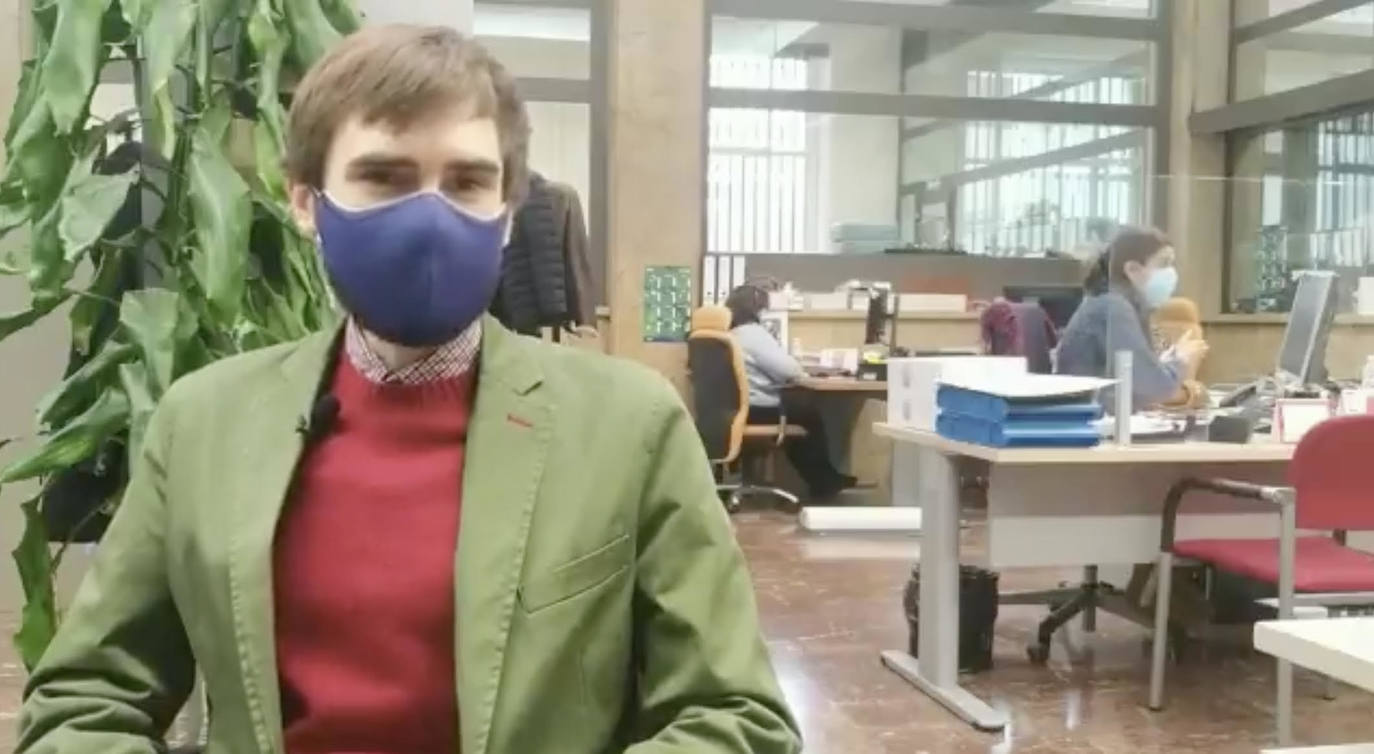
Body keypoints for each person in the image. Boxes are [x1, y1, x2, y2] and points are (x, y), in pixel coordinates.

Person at [17, 26, 800, 754]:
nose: (430, 218)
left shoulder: (628, 428)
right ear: (305, 202)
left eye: (467, 182)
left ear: (507, 210)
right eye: (383, 177)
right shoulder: (203, 424)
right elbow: (83, 699)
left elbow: (736, 716)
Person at [725, 284, 856, 499]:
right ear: (757, 309)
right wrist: (804, 373)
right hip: (756, 409)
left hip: (732, 410)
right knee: (808, 415)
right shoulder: (753, 333)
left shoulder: (728, 334)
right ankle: (824, 482)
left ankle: (824, 480)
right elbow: (790, 371)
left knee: (800, 413)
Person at [1056, 226, 1208, 409]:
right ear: (1132, 269)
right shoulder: (1114, 307)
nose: (1171, 273)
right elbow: (1152, 389)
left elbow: (1134, 378)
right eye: (1163, 263)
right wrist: (1181, 359)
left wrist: (1165, 364)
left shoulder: (1116, 303)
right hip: (1096, 419)